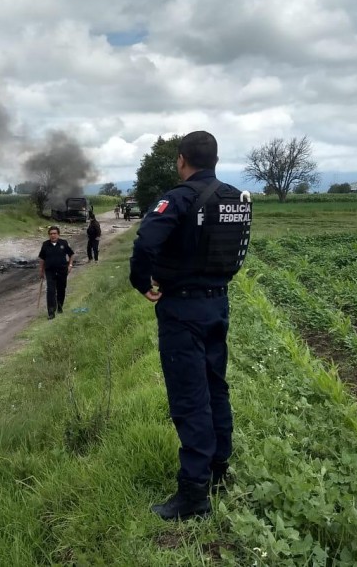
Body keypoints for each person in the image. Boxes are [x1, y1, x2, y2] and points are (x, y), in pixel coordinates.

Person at [129, 130, 251, 521]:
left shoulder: (177, 198)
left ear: (182, 159)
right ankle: (218, 471)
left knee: (189, 397)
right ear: (214, 159)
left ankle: (194, 494)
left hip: (182, 311)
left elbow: (146, 243)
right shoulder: (235, 198)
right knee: (216, 387)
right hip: (218, 303)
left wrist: (140, 282)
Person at [38, 225, 74, 319]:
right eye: (51, 234)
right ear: (49, 235)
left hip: (62, 270)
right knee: (50, 290)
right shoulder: (45, 244)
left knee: (61, 289)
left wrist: (70, 265)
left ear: (58, 234)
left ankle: (60, 307)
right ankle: (51, 312)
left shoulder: (63, 243)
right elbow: (42, 258)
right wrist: (41, 271)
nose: (52, 235)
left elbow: (71, 254)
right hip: (50, 271)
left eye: (54, 233)